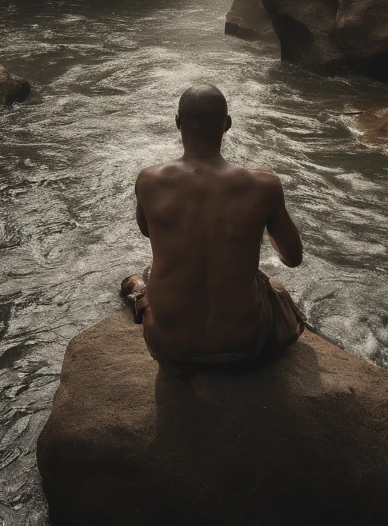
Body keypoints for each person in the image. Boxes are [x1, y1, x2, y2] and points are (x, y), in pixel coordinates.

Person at [121, 84, 306, 375]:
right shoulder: (264, 185)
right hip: (244, 346)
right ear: (228, 124)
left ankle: (141, 299)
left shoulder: (148, 180)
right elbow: (293, 258)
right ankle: (141, 294)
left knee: (151, 272)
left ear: (178, 124)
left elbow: (147, 231)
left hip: (172, 350)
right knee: (275, 288)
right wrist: (262, 214)